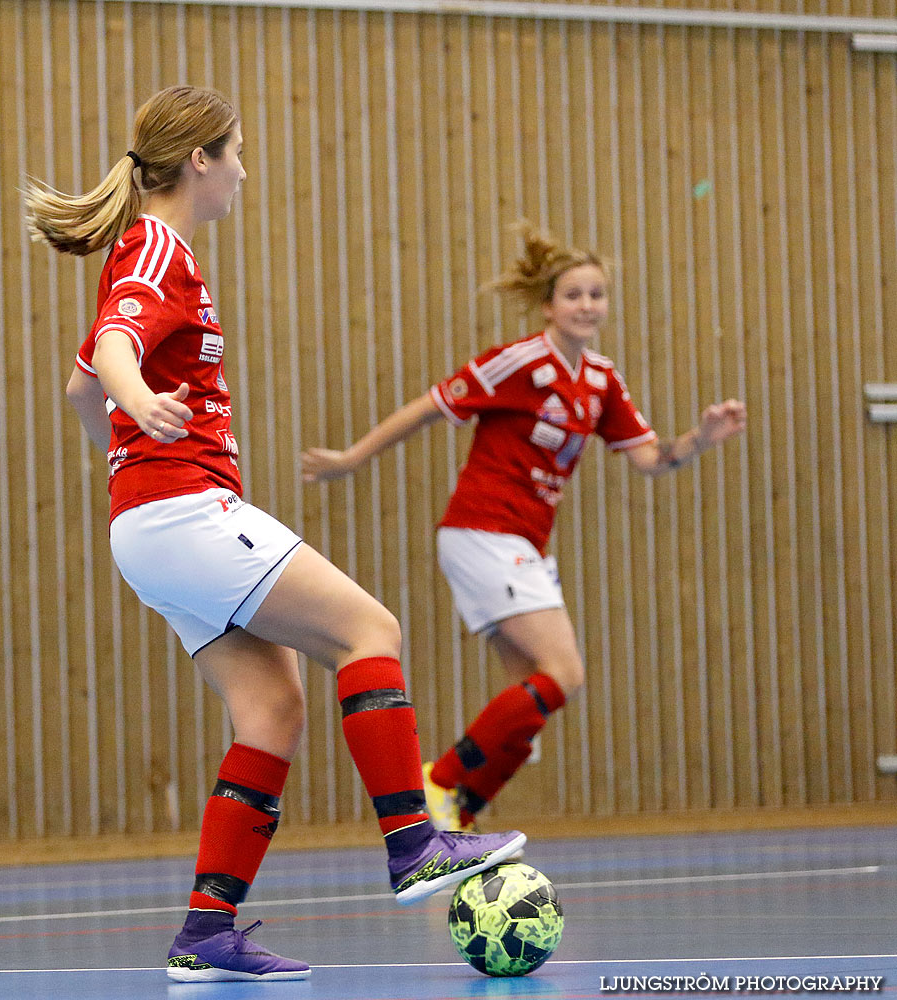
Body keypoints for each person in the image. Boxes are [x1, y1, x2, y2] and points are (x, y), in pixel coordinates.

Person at [24, 85, 525, 984]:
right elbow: (108, 354)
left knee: (272, 709)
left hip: (149, 521)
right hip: (185, 511)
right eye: (238, 153)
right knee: (370, 632)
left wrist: (125, 458)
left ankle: (205, 934)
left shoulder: (152, 251)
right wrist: (141, 409)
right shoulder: (156, 249)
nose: (245, 172)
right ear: (200, 162)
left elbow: (75, 395)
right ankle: (415, 845)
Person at [301, 223, 748, 834]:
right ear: (548, 305)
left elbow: (649, 458)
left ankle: (458, 817)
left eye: (597, 294)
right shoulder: (520, 361)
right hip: (483, 531)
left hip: (524, 546)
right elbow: (431, 406)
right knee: (565, 673)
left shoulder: (600, 380)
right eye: (574, 295)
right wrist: (352, 458)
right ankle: (439, 782)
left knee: (531, 695)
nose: (587, 305)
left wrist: (701, 439)